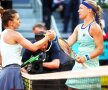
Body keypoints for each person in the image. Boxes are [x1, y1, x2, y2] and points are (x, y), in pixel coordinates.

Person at [0, 9, 55, 90]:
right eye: (18, 19)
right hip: (12, 72)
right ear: (10, 22)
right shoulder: (15, 34)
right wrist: (47, 37)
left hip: (6, 71)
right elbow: (33, 47)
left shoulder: (3, 34)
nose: (20, 21)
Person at [65, 0, 103, 90]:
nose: (78, 11)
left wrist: (85, 57)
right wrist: (55, 39)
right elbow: (67, 44)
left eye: (81, 8)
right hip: (78, 65)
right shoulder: (78, 27)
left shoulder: (95, 27)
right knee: (70, 88)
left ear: (89, 10)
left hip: (90, 67)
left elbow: (100, 49)